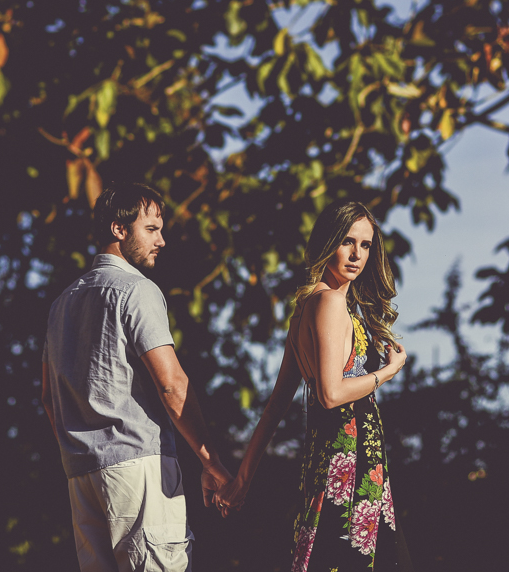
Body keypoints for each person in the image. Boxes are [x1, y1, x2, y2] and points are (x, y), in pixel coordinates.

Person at [42, 182, 232, 571]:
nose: (161, 240)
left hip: (81, 475)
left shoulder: (62, 304)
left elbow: (48, 397)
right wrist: (210, 461)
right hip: (138, 467)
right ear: (119, 229)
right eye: (151, 229)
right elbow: (171, 384)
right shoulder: (136, 290)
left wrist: (80, 448)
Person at [216, 201, 408, 570]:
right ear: (327, 242)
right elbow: (331, 394)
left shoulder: (305, 308)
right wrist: (387, 372)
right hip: (349, 462)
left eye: (365, 245)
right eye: (347, 241)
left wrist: (243, 479)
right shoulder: (331, 303)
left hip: (329, 461)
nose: (357, 254)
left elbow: (275, 406)